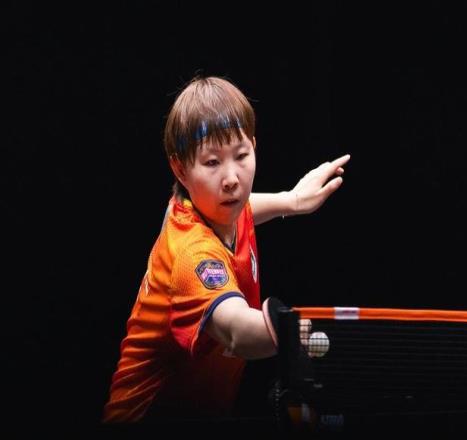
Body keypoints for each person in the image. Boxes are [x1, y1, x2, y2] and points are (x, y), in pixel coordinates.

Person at [102, 75, 350, 423]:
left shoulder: (217, 207)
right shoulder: (192, 254)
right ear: (180, 169)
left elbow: (246, 209)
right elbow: (237, 331)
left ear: (254, 146)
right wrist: (293, 330)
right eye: (212, 163)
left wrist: (291, 200)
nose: (232, 178)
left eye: (241, 155)